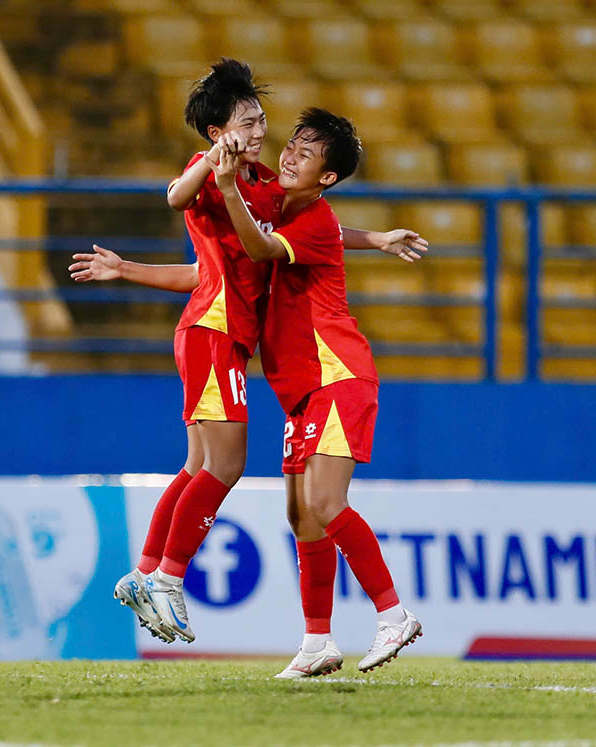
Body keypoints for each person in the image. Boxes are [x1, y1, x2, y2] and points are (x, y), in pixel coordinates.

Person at [70, 59, 426, 649]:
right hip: (215, 330)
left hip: (218, 331)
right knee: (227, 464)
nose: (261, 131)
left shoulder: (262, 183)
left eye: (262, 119)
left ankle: (147, 571)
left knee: (198, 466)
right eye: (247, 122)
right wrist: (215, 166)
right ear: (217, 133)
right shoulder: (216, 171)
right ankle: (168, 580)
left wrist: (377, 239)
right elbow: (176, 196)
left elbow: (297, 233)